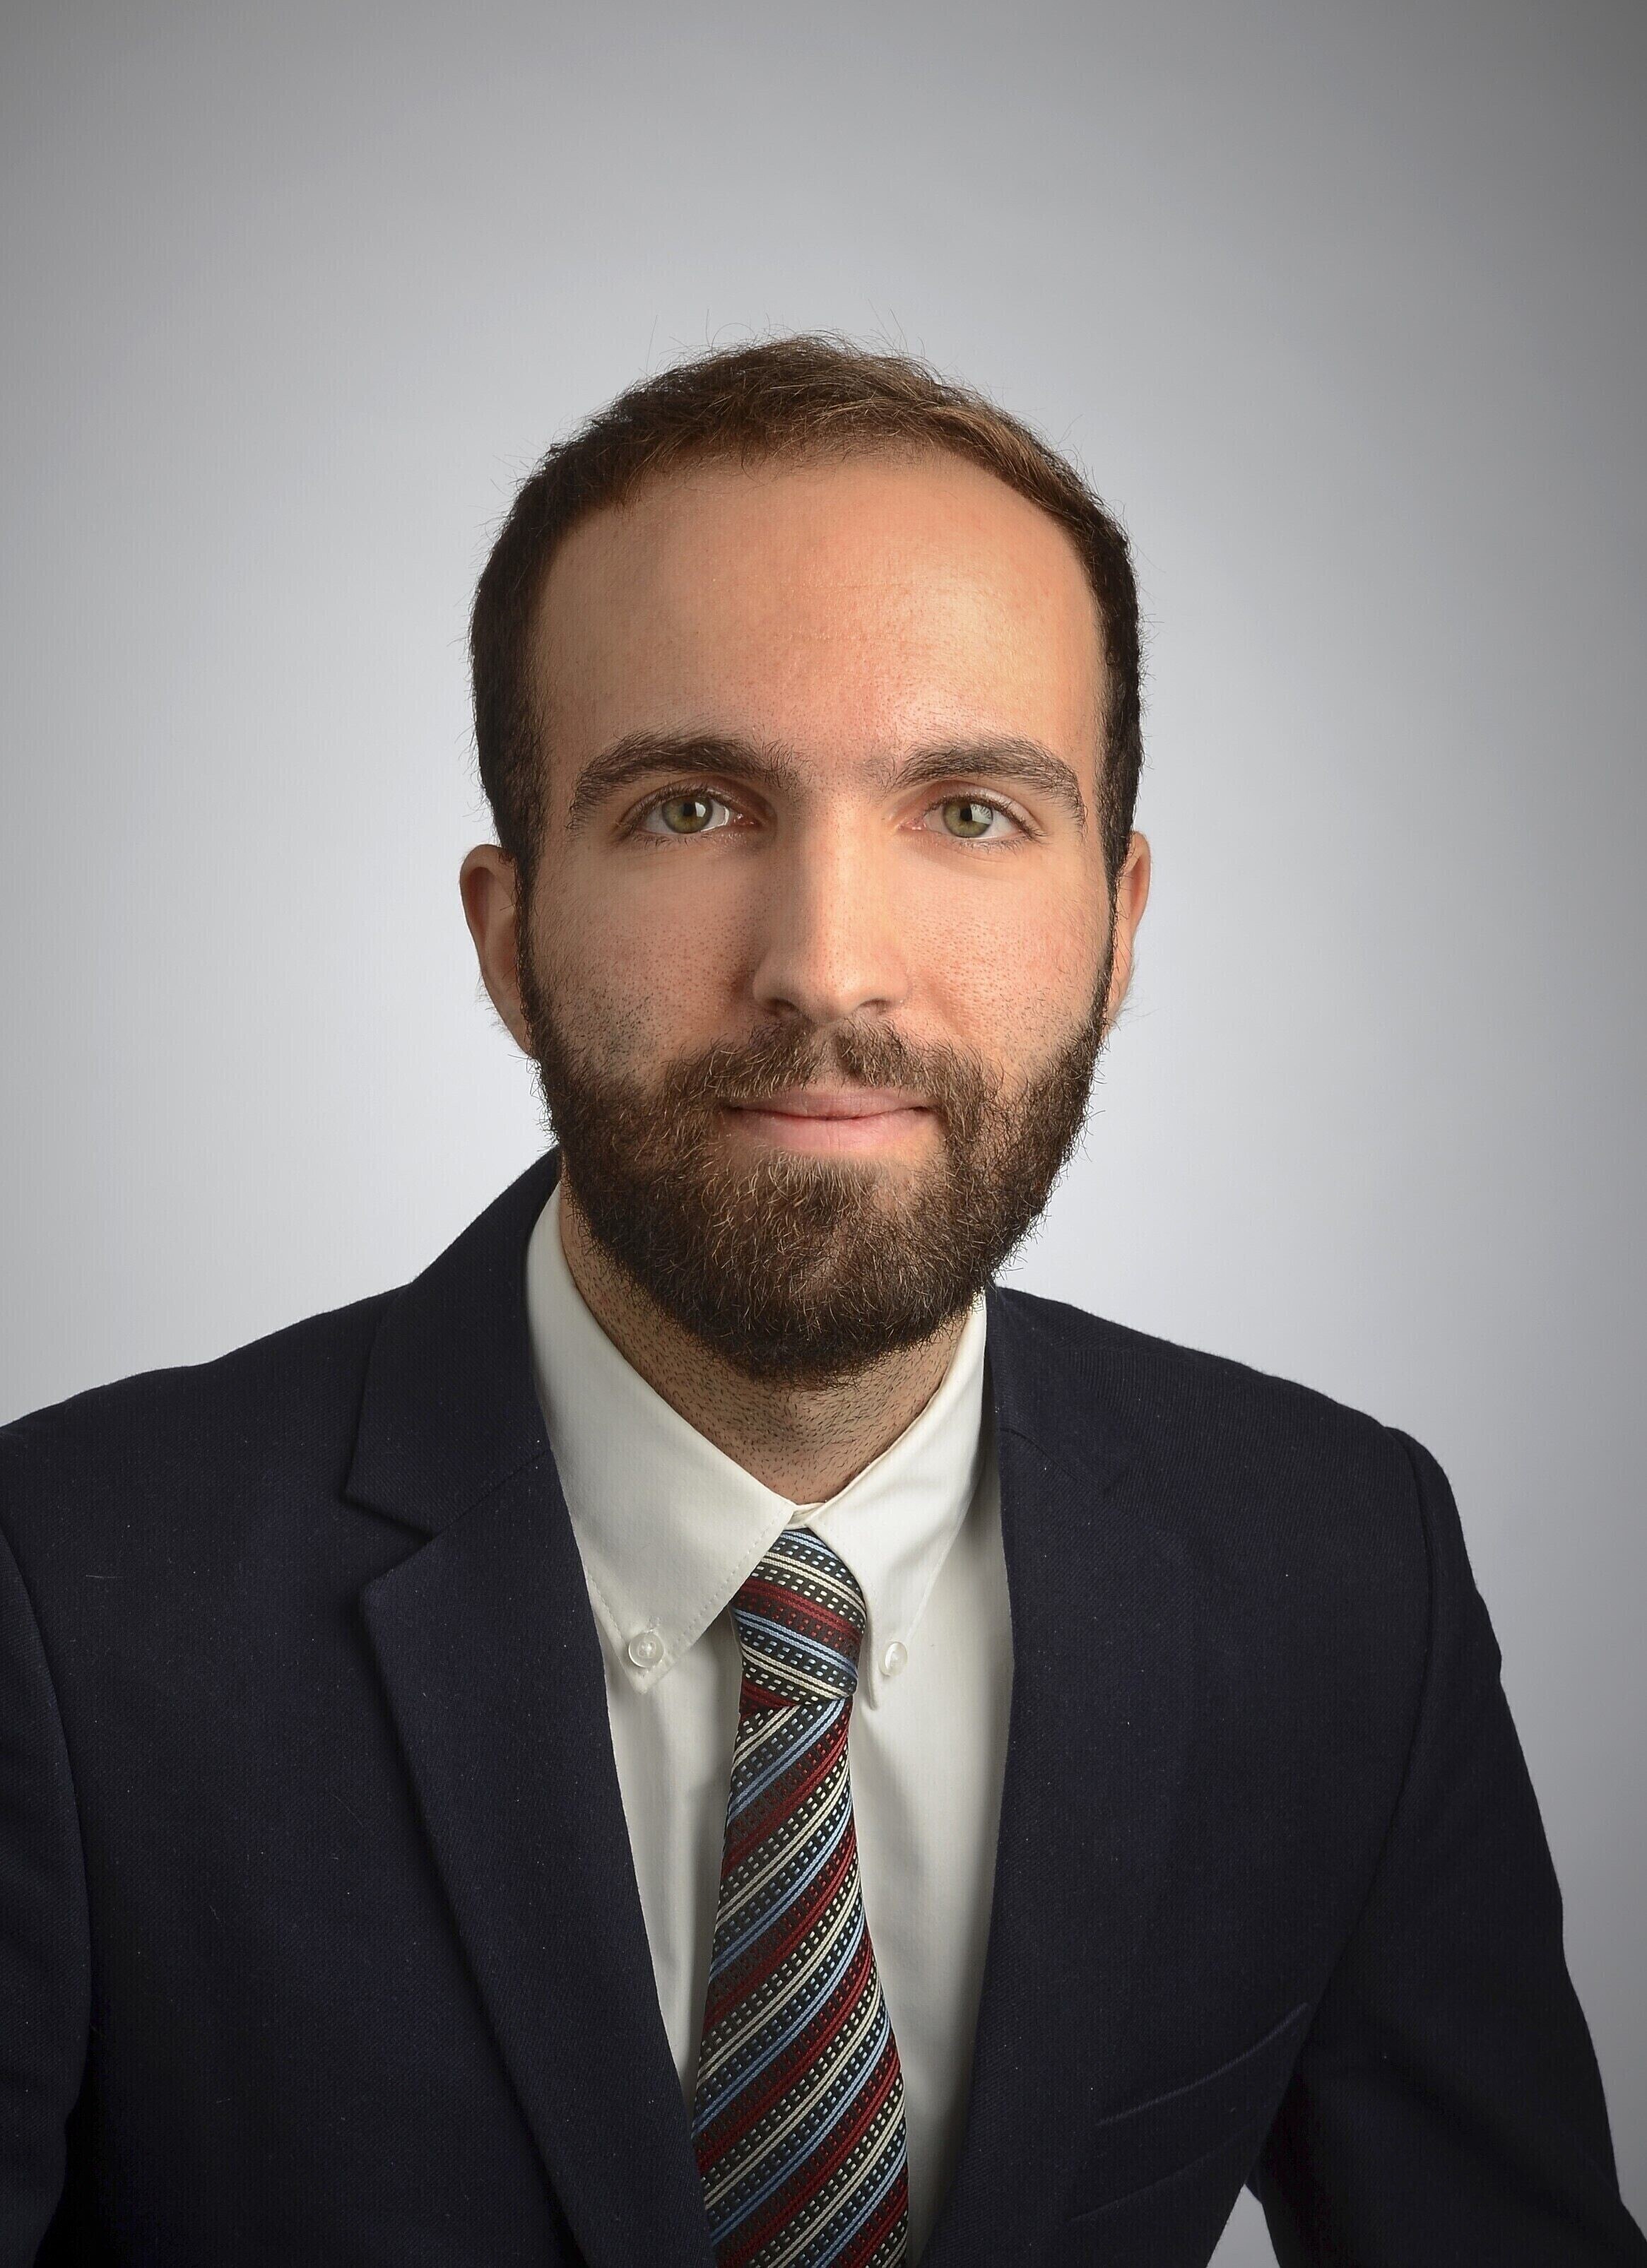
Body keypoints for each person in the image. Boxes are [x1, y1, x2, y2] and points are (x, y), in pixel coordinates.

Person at [1, 336, 1640, 2268]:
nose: (827, 966)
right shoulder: (65, 1598)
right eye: (691, 808)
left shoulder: (1341, 1570)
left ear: (1116, 927)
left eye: (970, 809)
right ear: (510, 939)